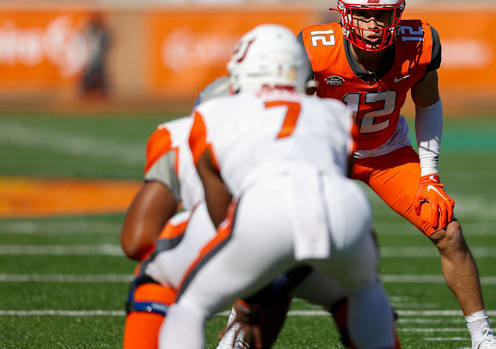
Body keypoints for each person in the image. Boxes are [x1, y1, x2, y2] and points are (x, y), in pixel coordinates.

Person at [298, 0, 496, 349]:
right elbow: (292, 114)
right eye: (363, 14)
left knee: (449, 231)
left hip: (386, 153)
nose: (373, 24)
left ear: (397, 14)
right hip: (327, 156)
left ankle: (483, 336)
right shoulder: (315, 48)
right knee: (276, 232)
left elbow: (428, 105)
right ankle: (238, 331)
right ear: (344, 13)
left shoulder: (420, 43)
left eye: (381, 15)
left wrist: (430, 174)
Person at [158, 24, 397, 349]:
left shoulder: (215, 112)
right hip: (343, 207)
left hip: (265, 209)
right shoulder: (334, 113)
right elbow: (340, 179)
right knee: (365, 289)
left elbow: (221, 214)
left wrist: (249, 285)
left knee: (190, 305)